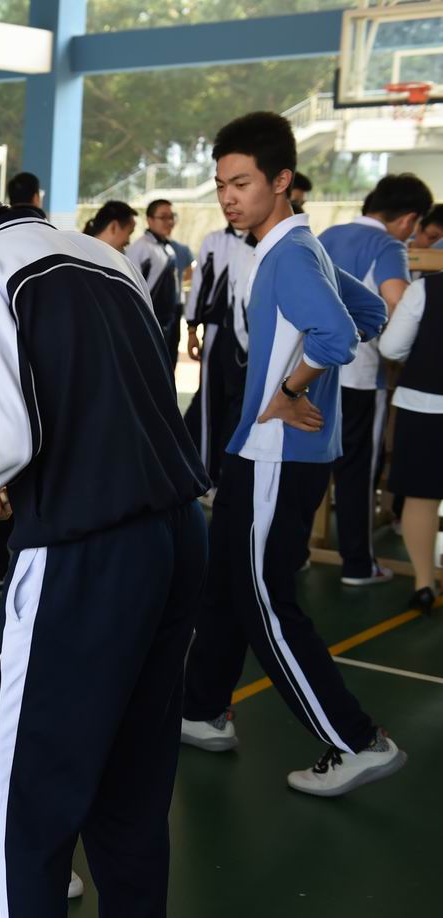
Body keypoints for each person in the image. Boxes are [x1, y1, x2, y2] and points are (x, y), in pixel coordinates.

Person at [0, 194, 207, 916]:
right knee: (131, 788)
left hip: (84, 554)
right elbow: (98, 407)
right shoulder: (108, 260)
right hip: (177, 535)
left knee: (18, 799)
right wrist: (6, 484)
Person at [180, 111, 404, 798]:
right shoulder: (297, 246)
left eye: (242, 183)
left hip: (277, 454)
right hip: (266, 452)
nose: (228, 197)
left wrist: (288, 389)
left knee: (265, 602)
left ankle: (357, 741)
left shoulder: (289, 254)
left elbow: (337, 336)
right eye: (222, 184)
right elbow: (371, 315)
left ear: (281, 181)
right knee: (226, 585)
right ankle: (202, 710)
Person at [318, 174, 432, 587]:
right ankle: (358, 564)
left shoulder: (326, 236)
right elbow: (397, 301)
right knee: (357, 471)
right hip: (361, 374)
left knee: (311, 464)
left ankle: (295, 554)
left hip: (313, 371)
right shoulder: (387, 246)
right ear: (409, 220)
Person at [380, 274, 443, 614]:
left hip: (423, 403)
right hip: (422, 402)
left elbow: (391, 347)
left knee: (421, 498)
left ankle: (424, 584)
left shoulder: (425, 289)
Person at [183, 222, 255, 487]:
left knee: (241, 403)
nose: (230, 204)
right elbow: (200, 284)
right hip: (216, 329)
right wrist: (193, 327)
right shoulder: (215, 241)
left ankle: (229, 473)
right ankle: (206, 474)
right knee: (210, 401)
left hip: (252, 333)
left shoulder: (264, 241)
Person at [126, 199, 183, 372]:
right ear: (149, 220)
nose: (169, 222)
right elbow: (131, 289)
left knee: (168, 369)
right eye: (163, 217)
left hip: (170, 321)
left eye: (172, 217)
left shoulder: (168, 247)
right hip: (150, 322)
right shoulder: (141, 248)